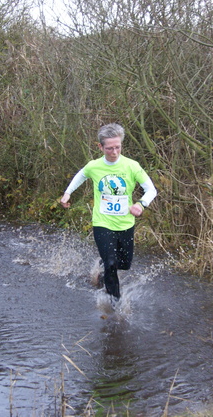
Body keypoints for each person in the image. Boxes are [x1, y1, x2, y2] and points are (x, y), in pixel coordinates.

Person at [60, 123, 157, 301]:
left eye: (118, 147)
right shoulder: (94, 166)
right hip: (102, 222)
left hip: (125, 223)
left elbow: (151, 189)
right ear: (100, 147)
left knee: (124, 265)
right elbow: (81, 175)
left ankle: (103, 267)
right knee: (112, 263)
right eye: (110, 148)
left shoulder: (132, 166)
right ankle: (115, 304)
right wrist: (67, 193)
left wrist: (141, 204)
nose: (114, 152)